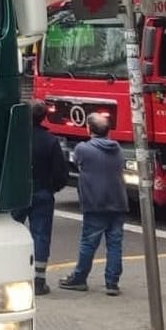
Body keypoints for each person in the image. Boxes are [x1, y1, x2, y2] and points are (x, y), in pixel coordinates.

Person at [59, 113, 128, 295]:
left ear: (89, 129)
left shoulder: (83, 148)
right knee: (115, 243)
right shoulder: (118, 149)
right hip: (118, 201)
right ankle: (112, 283)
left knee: (89, 242)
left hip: (95, 201)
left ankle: (79, 278)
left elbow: (77, 163)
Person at [13, 100, 68, 295]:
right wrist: (51, 188)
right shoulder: (50, 140)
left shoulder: (15, 138)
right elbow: (61, 173)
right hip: (42, 192)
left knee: (12, 232)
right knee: (41, 235)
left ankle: (11, 272)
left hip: (17, 192)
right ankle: (39, 278)